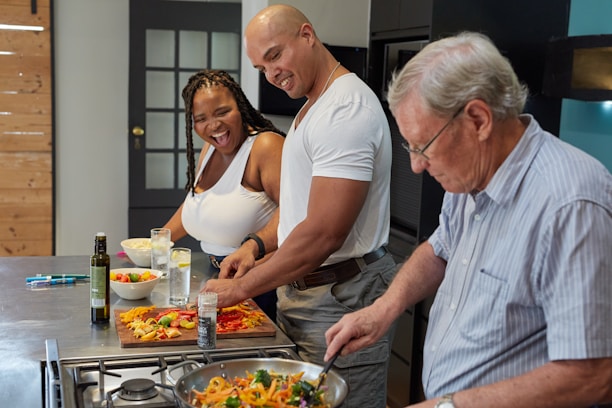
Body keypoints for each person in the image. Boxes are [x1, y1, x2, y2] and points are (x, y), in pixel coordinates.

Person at [324, 31, 612, 408]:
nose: (415, 165)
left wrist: (450, 406)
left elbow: (593, 375)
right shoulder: (471, 175)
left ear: (478, 119)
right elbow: (440, 249)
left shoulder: (571, 204)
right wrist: (383, 309)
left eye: (422, 146)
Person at [201, 5, 396, 407]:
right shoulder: (314, 104)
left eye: (275, 56)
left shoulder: (345, 109)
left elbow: (324, 233)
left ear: (307, 35)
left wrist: (239, 290)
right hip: (311, 294)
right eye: (261, 67)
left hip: (341, 297)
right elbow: (299, 210)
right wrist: (255, 246)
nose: (271, 74)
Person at [163, 69, 285, 319]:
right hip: (218, 278)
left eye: (222, 112)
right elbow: (197, 204)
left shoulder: (265, 146)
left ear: (240, 106)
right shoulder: (210, 148)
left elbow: (296, 212)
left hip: (258, 287)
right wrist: (156, 243)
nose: (214, 125)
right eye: (201, 118)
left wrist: (243, 281)